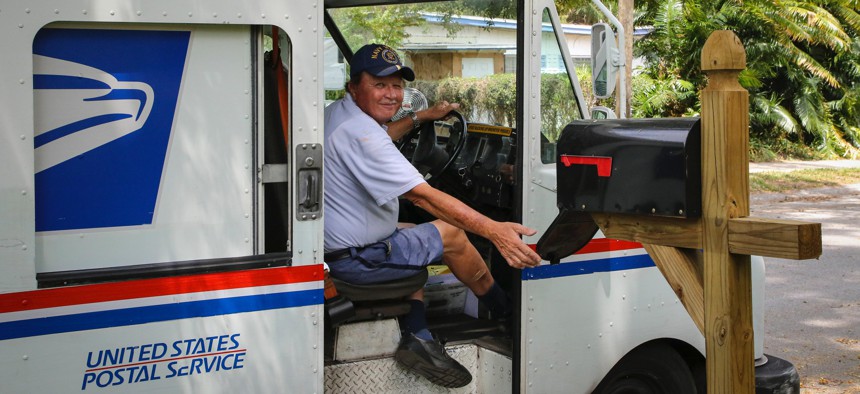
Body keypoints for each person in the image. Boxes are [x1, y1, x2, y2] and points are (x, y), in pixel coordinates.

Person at [323, 43, 541, 388]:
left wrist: (422, 117)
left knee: (414, 231)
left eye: (397, 85)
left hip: (338, 244)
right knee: (450, 233)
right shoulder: (362, 134)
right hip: (354, 261)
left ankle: (418, 330)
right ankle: (505, 314)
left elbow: (385, 136)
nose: (391, 94)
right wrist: (494, 229)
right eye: (379, 85)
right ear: (354, 86)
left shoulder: (341, 113)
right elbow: (421, 195)